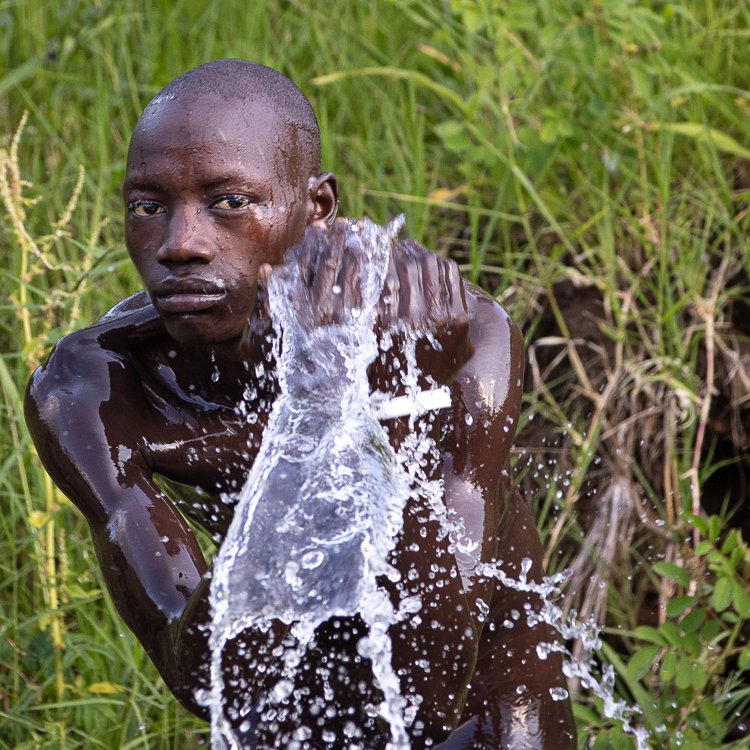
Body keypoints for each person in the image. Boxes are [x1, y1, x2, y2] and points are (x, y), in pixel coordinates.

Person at [24, 59, 575, 748]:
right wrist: (315, 419)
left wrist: (359, 402)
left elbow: (428, 693)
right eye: (148, 205)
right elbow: (204, 678)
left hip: (482, 708)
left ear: (314, 210)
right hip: (287, 688)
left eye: (229, 203)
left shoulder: (454, 339)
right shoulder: (97, 389)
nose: (180, 244)